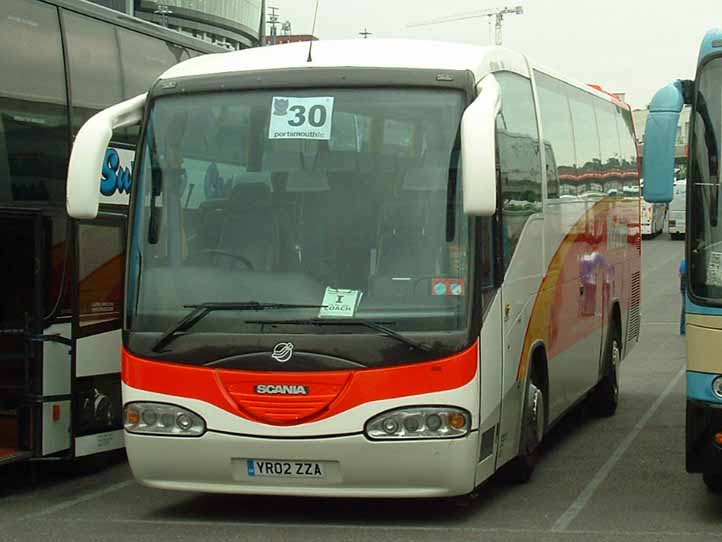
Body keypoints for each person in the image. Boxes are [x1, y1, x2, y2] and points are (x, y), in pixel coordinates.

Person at [680, 258, 687, 335]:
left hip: (683, 286)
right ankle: (683, 329)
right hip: (685, 286)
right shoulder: (685, 262)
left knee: (684, 307)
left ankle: (682, 329)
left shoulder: (684, 261)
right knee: (685, 307)